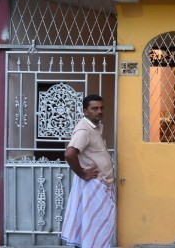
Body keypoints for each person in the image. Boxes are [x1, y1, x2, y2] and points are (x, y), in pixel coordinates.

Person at [61, 95, 116, 248]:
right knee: (96, 227)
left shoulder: (95, 126)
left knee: (99, 226)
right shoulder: (84, 130)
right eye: (94, 108)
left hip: (102, 184)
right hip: (94, 185)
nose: (99, 111)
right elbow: (69, 153)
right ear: (85, 111)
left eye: (101, 108)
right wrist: (82, 173)